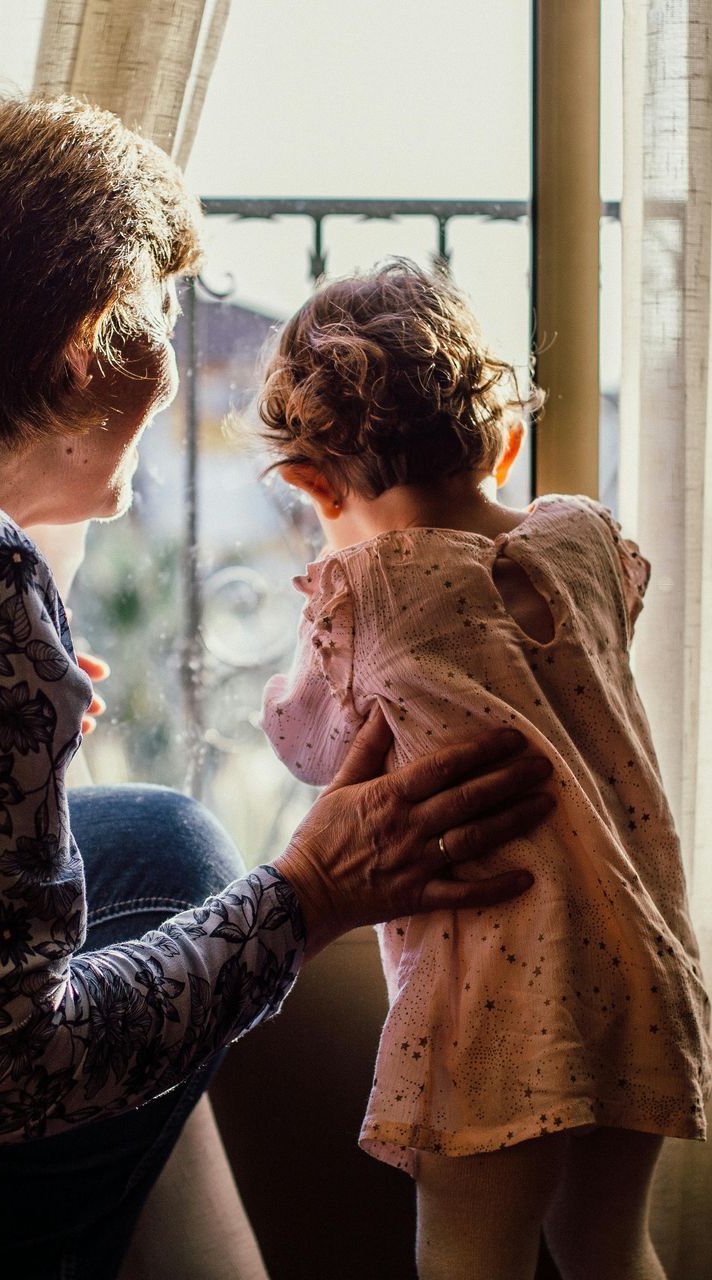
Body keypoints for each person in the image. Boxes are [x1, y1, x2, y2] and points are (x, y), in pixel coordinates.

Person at [0, 95, 555, 1280]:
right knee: (201, 904)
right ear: (89, 338)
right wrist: (312, 893)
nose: (176, 366)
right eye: (163, 311)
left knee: (167, 841)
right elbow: (2, 1071)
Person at [258, 258, 712, 1280]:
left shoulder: (364, 586)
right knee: (608, 1242)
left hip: (496, 997)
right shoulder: (584, 538)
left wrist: (320, 626)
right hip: (636, 957)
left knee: (472, 1252)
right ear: (505, 440)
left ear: (310, 483)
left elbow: (313, 745)